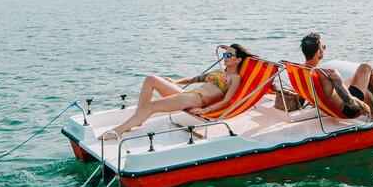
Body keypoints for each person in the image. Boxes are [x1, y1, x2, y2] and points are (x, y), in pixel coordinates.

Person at [101, 43, 257, 140]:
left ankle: (118, 131)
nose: (225, 57)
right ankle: (138, 117)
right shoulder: (220, 71)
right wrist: (176, 81)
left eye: (229, 55)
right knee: (151, 79)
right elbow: (197, 78)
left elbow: (227, 100)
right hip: (189, 95)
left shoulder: (235, 78)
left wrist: (205, 110)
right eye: (225, 54)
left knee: (151, 106)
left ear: (238, 60)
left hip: (197, 99)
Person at [299, 32, 373, 119]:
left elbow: (302, 97)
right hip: (347, 110)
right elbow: (351, 103)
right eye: (323, 47)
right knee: (366, 67)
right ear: (318, 53)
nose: (324, 49)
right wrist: (362, 106)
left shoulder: (301, 70)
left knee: (355, 81)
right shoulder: (329, 73)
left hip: (327, 106)